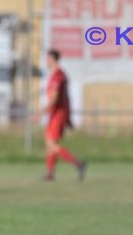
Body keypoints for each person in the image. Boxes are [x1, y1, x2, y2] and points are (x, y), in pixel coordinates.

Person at [35, 49, 87, 181]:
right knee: (49, 143)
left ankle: (79, 163)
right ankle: (50, 173)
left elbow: (55, 99)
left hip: (58, 113)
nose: (46, 61)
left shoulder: (58, 76)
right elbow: (66, 97)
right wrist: (68, 118)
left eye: (47, 58)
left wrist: (41, 113)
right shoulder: (59, 75)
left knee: (51, 144)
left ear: (52, 59)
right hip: (58, 113)